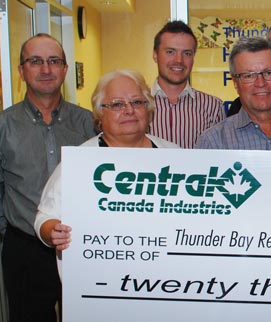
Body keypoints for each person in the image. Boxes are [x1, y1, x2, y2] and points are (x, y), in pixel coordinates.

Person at [0, 33, 95, 322]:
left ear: (65, 70)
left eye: (54, 61)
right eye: (36, 61)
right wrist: (22, 232)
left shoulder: (89, 124)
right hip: (25, 250)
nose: (46, 69)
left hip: (79, 248)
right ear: (21, 70)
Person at [35, 69, 177, 253]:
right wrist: (52, 231)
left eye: (137, 102)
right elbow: (45, 217)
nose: (129, 110)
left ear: (148, 109)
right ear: (100, 114)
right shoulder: (78, 163)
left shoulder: (176, 155)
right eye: (117, 104)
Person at [149, 20, 224, 148]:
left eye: (187, 53)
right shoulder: (137, 106)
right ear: (155, 55)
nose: (179, 60)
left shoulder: (213, 107)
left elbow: (219, 159)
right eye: (170, 52)